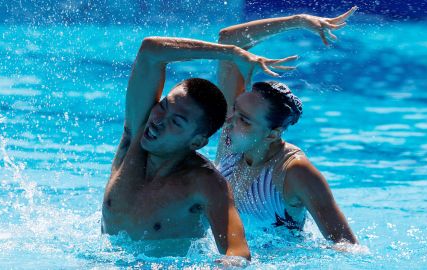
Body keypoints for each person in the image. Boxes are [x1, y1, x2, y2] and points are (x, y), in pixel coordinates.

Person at [101, 36, 292, 259]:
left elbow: (238, 252)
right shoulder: (135, 134)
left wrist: (228, 264)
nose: (158, 120)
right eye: (163, 106)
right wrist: (230, 52)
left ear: (197, 142)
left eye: (176, 122)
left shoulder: (205, 183)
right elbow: (150, 50)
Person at [214, 7, 359, 245]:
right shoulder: (235, 138)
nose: (228, 121)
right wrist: (297, 21)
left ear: (272, 135)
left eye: (244, 119)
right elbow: (228, 41)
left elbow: (347, 248)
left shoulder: (294, 172)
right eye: (235, 110)